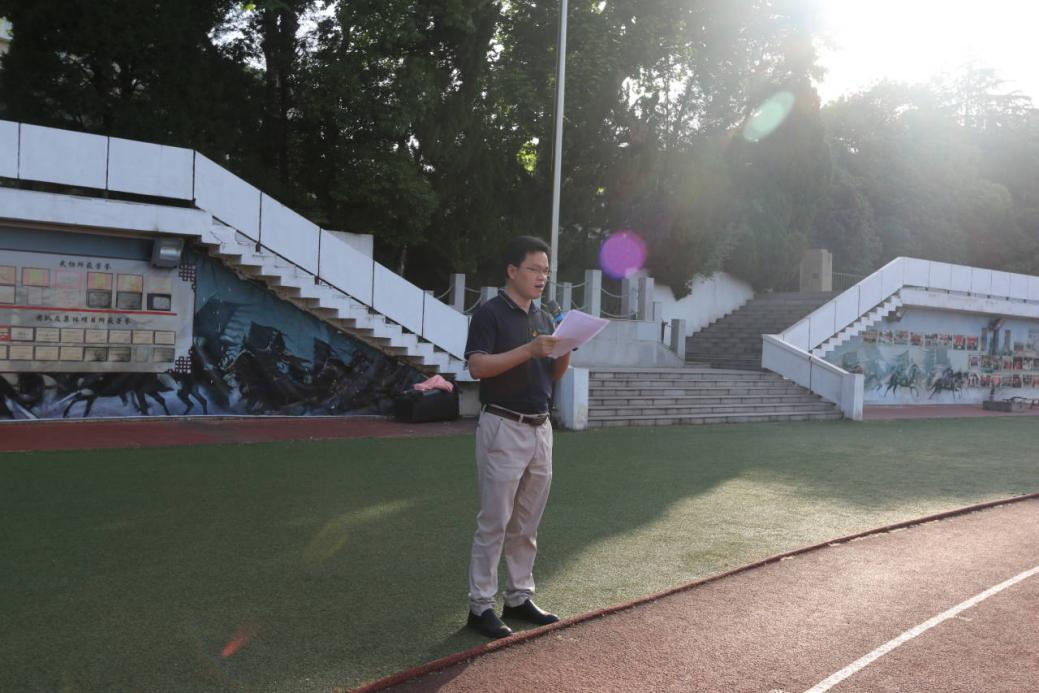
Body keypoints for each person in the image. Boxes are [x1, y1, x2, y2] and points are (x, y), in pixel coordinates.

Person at [463, 235, 571, 639]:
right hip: (503, 425)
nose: (542, 277)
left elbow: (553, 374)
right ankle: (480, 606)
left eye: (546, 271)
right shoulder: (490, 313)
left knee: (527, 522)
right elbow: (477, 368)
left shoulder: (545, 316)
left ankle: (519, 597)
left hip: (540, 426)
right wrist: (529, 349)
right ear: (512, 271)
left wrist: (566, 347)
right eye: (534, 269)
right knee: (494, 520)